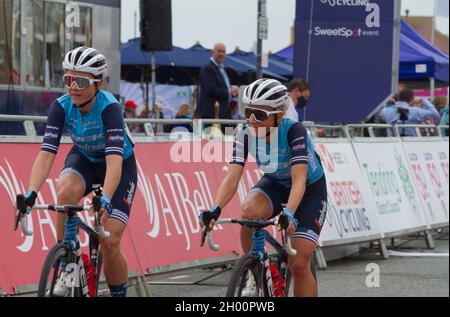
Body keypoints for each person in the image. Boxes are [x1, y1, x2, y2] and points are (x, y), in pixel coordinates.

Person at [19, 46, 137, 297]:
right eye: (68, 79)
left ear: (96, 84)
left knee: (110, 241)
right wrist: (31, 192)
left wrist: (105, 196)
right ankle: (67, 263)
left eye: (80, 81)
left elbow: (114, 161)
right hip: (84, 158)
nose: (72, 86)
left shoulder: (110, 108)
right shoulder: (61, 106)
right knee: (64, 191)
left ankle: (119, 293)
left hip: (117, 165)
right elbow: (46, 153)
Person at [199, 79, 327, 297]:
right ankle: (253, 269)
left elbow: (299, 180)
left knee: (298, 264)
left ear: (279, 114)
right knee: (249, 212)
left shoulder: (294, 131)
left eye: (259, 114)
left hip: (309, 190)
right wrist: (215, 209)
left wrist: (289, 213)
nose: (251, 120)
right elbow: (232, 177)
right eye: (247, 112)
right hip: (276, 184)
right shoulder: (244, 134)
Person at [196, 43, 239, 121]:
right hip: (211, 114)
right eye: (219, 51)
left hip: (223, 113)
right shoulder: (208, 68)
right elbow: (210, 89)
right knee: (210, 133)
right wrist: (229, 92)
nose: (221, 54)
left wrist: (231, 89)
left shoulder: (221, 68)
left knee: (228, 132)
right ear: (213, 52)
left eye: (223, 52)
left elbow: (220, 87)